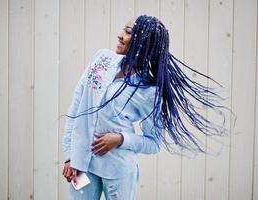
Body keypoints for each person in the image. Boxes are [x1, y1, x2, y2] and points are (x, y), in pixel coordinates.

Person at [61, 15, 229, 200]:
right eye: (123, 29)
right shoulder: (101, 59)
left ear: (143, 43)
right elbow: (77, 106)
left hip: (119, 171)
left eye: (128, 32)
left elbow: (154, 142)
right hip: (83, 165)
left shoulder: (149, 91)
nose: (120, 35)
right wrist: (70, 155)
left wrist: (120, 139)